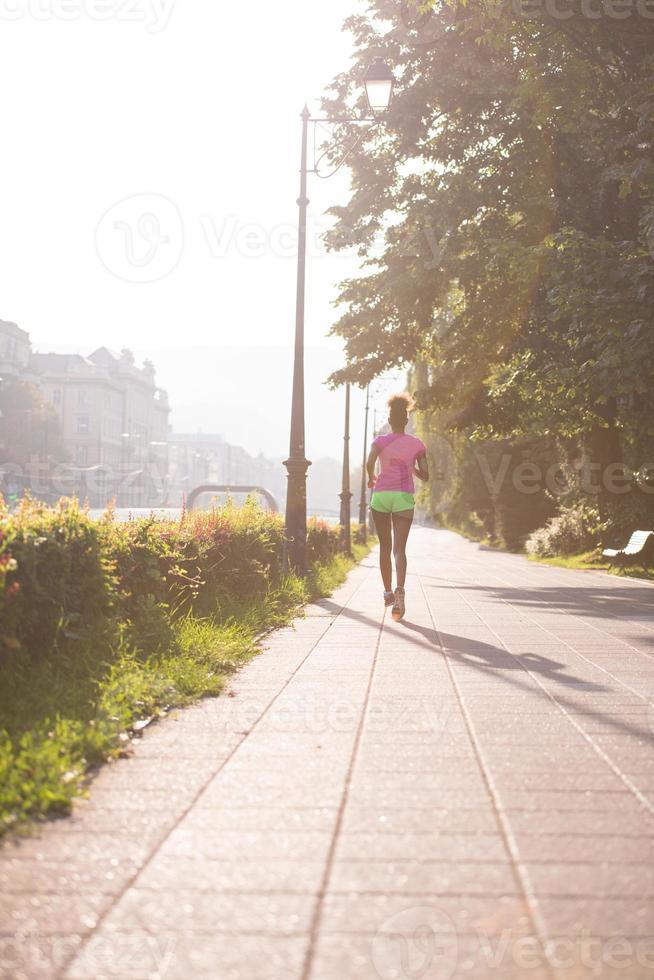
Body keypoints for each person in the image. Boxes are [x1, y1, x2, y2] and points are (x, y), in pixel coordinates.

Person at [367, 393, 429, 621]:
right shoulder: (417, 444)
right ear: (407, 419)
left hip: (381, 496)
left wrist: (370, 478)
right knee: (399, 549)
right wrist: (410, 468)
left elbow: (369, 462)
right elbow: (426, 475)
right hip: (403, 497)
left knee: (385, 546)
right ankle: (400, 589)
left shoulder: (380, 441)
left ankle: (387, 592)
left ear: (390, 419)